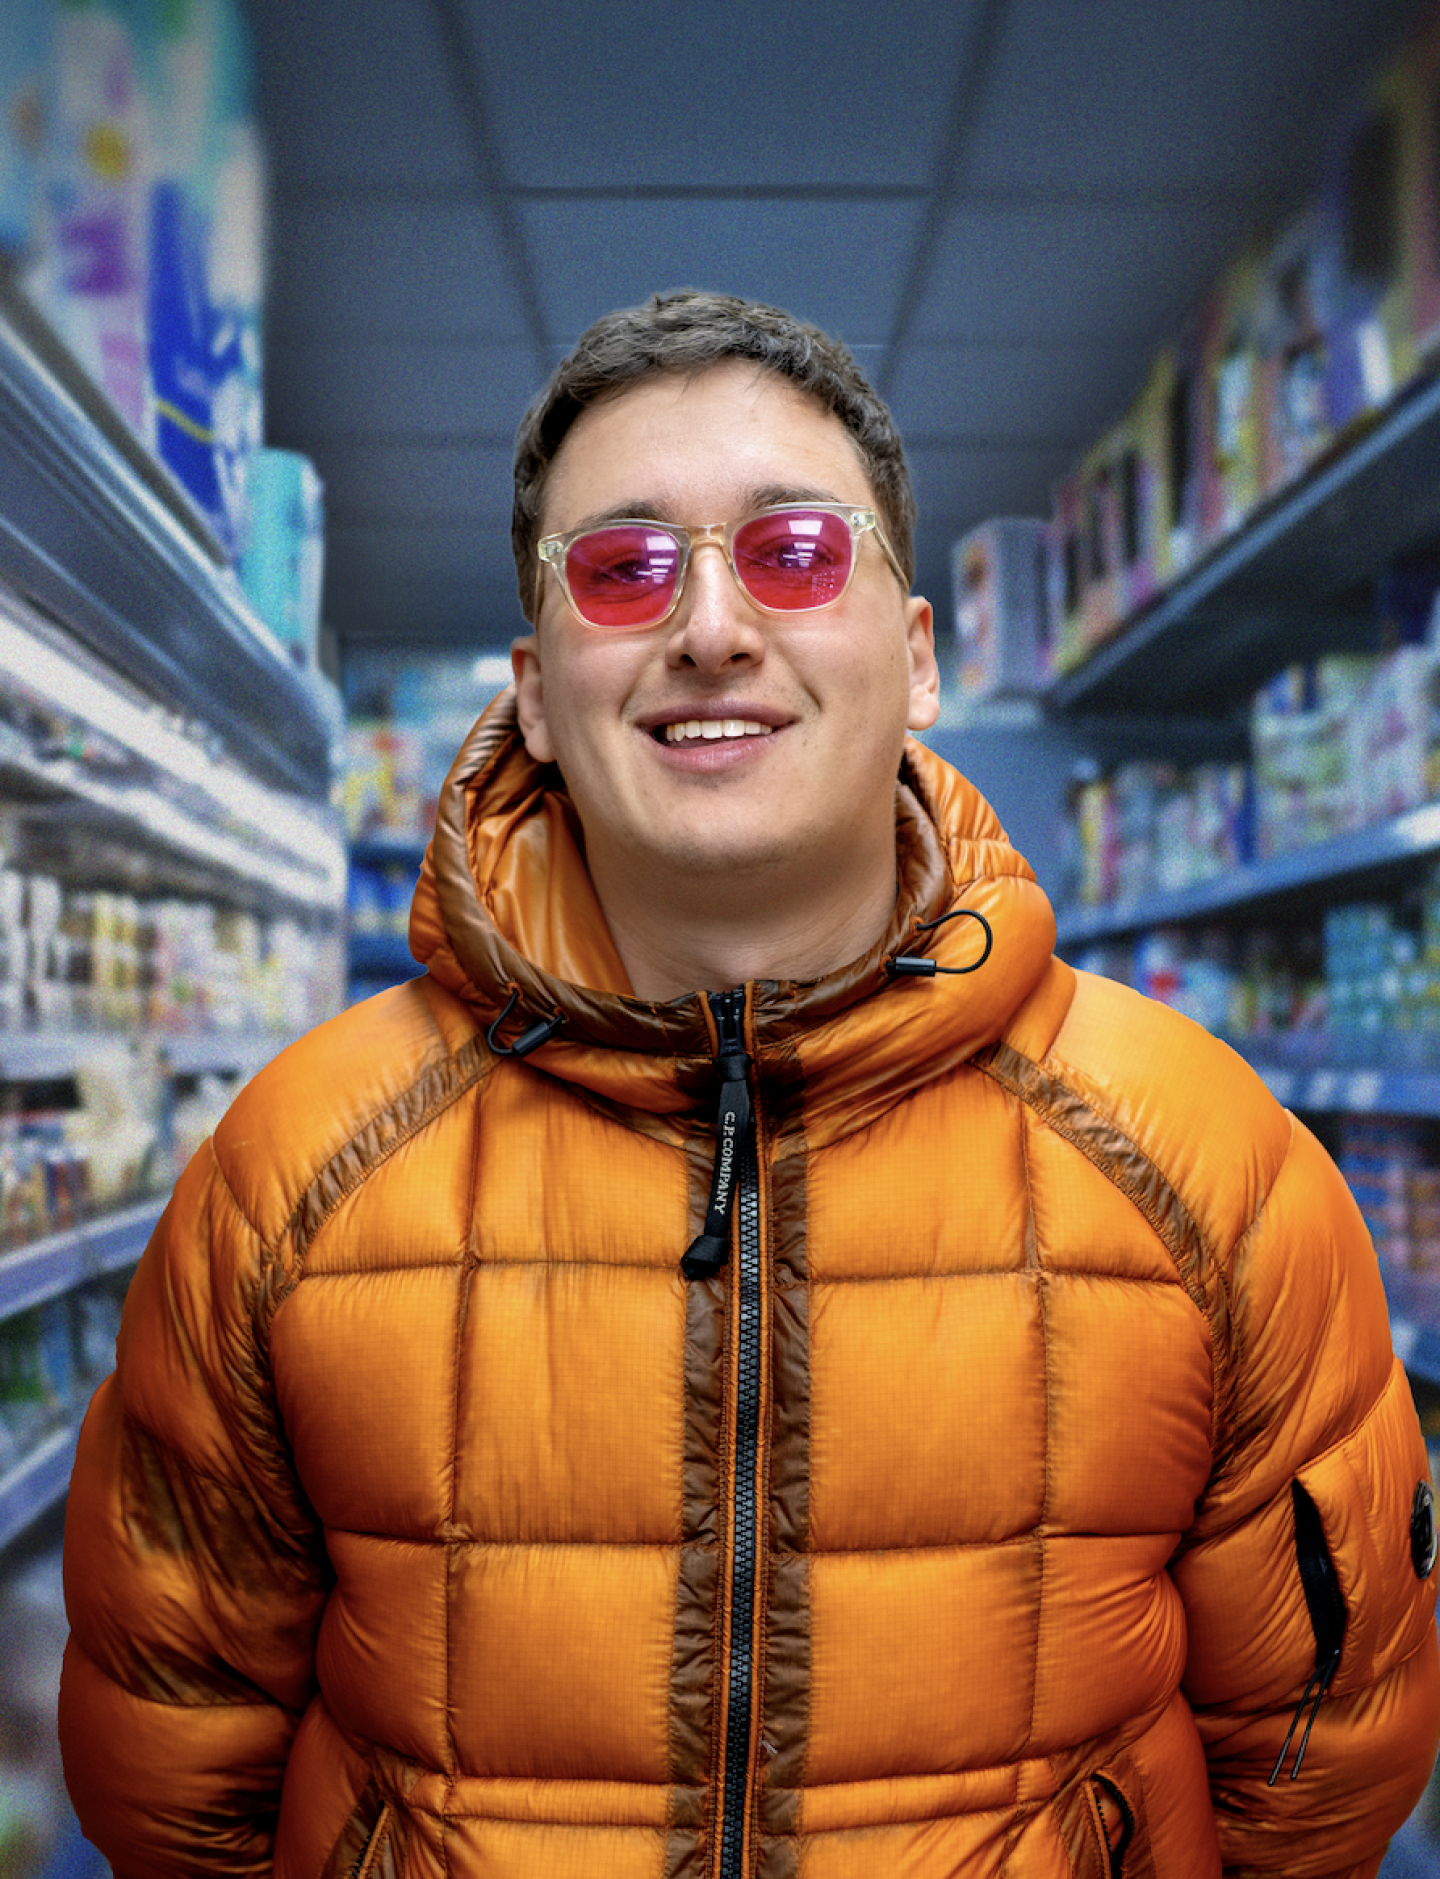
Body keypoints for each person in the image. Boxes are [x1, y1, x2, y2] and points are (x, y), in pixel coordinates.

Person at [60, 289, 1439, 1879]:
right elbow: (173, 1756)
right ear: (533, 693)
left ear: (916, 657)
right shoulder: (289, 1169)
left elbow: (1323, 1756)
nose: (711, 625)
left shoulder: (1209, 1160)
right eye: (624, 568)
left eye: (793, 551)